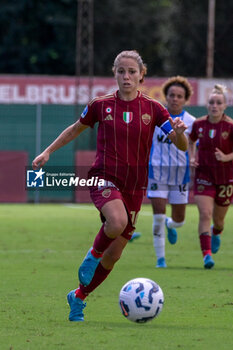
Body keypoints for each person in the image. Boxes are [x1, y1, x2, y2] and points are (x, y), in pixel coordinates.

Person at [32, 50, 188, 322]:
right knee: (115, 223)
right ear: (114, 73)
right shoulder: (100, 105)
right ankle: (91, 256)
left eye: (131, 72)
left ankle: (79, 296)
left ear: (142, 75)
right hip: (104, 176)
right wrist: (48, 152)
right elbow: (74, 129)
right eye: (121, 71)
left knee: (114, 256)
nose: (126, 76)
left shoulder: (153, 108)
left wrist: (179, 134)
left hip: (135, 187)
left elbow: (181, 146)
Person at [147, 76, 195, 268]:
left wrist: (193, 158)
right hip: (157, 172)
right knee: (158, 215)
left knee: (179, 220)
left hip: (180, 174)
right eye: (172, 95)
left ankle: (171, 224)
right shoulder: (156, 117)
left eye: (179, 96)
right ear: (166, 96)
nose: (175, 98)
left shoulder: (191, 121)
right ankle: (161, 259)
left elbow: (193, 145)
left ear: (185, 99)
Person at [189, 84, 233, 269]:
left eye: (218, 103)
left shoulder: (230, 126)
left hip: (225, 177)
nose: (214, 105)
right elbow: (191, 140)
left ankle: (217, 232)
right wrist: (192, 156)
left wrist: (226, 157)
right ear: (207, 105)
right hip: (203, 175)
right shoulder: (198, 124)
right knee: (205, 214)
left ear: (224, 106)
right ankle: (206, 255)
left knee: (219, 220)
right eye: (211, 102)